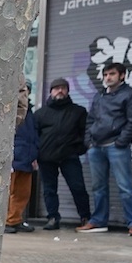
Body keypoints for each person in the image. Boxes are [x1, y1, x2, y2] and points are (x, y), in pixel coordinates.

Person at [81, 61, 132, 235]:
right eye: (106, 74)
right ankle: (99, 221)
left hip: (116, 147)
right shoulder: (99, 96)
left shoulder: (131, 94)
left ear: (122, 75)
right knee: (98, 187)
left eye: (112, 74)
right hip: (96, 147)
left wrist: (120, 142)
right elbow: (90, 120)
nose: (108, 78)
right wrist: (89, 141)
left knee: (125, 186)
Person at [33, 76, 90, 231]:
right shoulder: (40, 114)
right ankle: (53, 218)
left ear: (67, 91)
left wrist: (80, 149)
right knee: (49, 190)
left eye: (63, 88)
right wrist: (35, 155)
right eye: (56, 88)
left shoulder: (78, 111)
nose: (60, 90)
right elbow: (34, 136)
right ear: (51, 91)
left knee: (78, 188)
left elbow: (86, 133)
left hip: (69, 156)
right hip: (46, 158)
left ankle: (85, 217)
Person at [5, 80, 39, 233]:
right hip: (14, 157)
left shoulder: (30, 112)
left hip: (27, 157)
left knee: (22, 192)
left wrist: (34, 156)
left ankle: (15, 219)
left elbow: (33, 137)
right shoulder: (11, 108)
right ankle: (6, 221)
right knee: (9, 191)